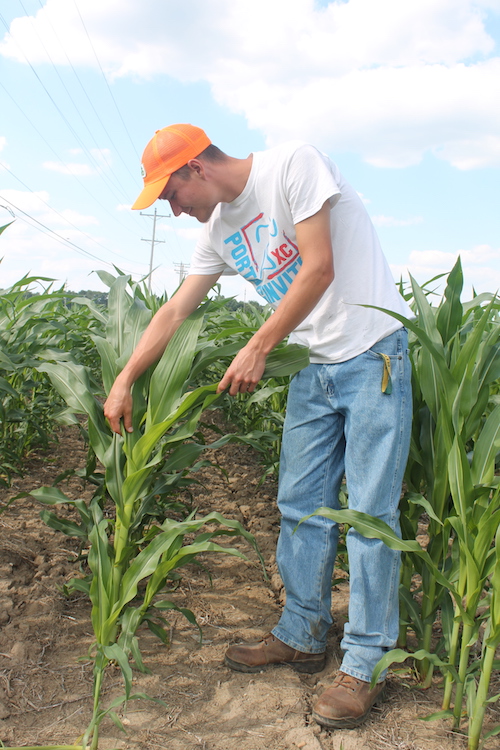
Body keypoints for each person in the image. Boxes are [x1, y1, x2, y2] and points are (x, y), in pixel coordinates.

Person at [104, 123, 413, 729]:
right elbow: (174, 309)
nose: (172, 209)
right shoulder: (219, 229)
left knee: (370, 516)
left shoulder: (293, 165)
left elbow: (319, 268)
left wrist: (259, 345)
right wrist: (125, 378)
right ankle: (301, 632)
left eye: (169, 195)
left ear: (196, 168)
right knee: (298, 504)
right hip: (310, 369)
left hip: (371, 354)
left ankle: (366, 662)